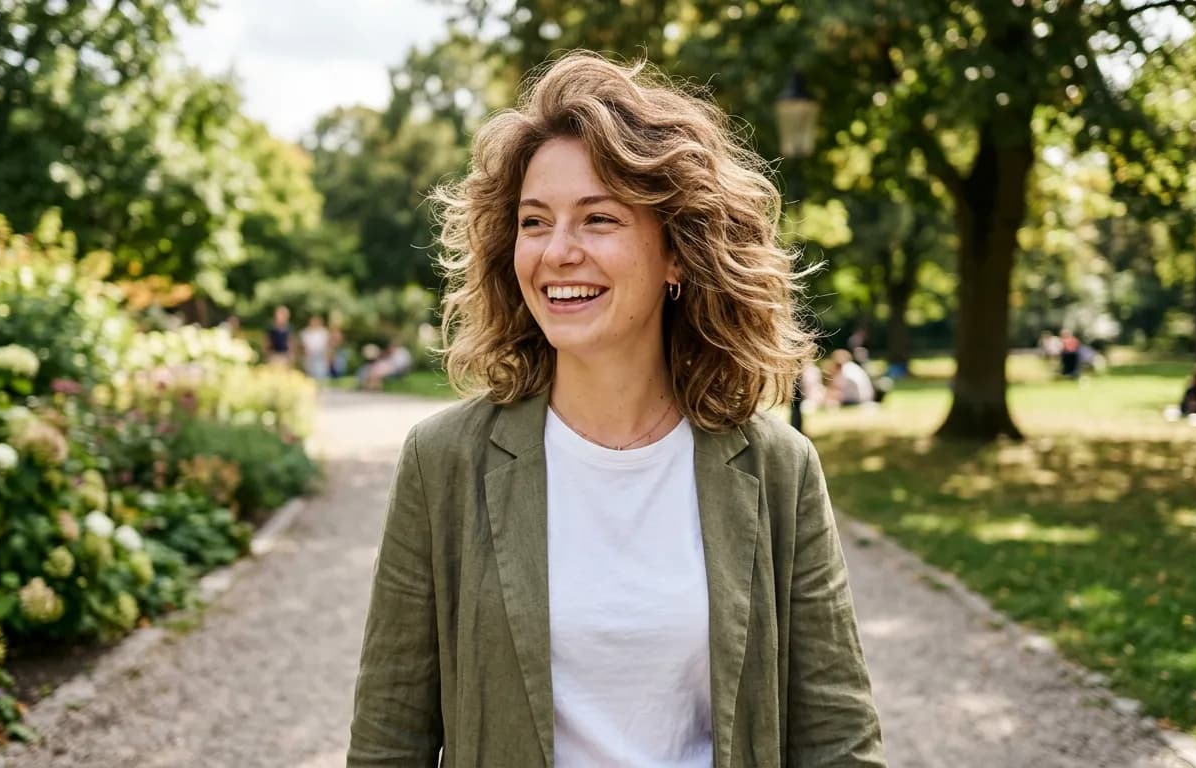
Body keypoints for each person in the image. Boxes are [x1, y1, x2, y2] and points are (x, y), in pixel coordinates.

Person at [347, 52, 884, 768]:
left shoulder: (778, 468)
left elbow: (838, 741)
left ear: (678, 255)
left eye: (597, 219)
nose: (557, 252)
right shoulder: (444, 461)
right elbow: (389, 740)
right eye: (535, 222)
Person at [300, 314, 330, 382]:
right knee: (310, 374)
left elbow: (326, 346)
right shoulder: (306, 332)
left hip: (320, 355)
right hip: (310, 356)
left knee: (321, 373)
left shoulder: (323, 332)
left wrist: (327, 358)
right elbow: (304, 346)